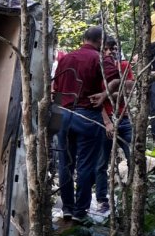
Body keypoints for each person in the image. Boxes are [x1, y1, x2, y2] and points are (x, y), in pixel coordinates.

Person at [53, 26, 117, 222]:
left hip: (62, 113)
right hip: (86, 115)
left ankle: (68, 208)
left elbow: (55, 88)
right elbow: (117, 78)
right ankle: (80, 211)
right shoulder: (98, 58)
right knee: (86, 164)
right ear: (100, 41)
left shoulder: (65, 59)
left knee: (65, 164)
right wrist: (106, 94)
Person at [93, 37, 133, 214]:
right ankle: (102, 200)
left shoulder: (124, 66)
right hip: (105, 120)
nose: (110, 52)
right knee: (101, 162)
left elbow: (130, 89)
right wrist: (107, 121)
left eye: (113, 49)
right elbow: (95, 99)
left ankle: (132, 195)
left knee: (133, 157)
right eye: (106, 49)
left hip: (125, 118)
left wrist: (106, 93)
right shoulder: (97, 69)